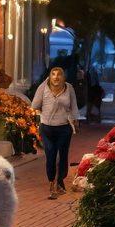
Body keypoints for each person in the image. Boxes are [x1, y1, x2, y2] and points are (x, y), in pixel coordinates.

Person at [31, 66, 79, 199]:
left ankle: (60, 180)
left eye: (59, 74)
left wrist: (75, 120)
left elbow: (74, 106)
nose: (56, 77)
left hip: (64, 128)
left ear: (63, 77)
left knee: (63, 155)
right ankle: (52, 181)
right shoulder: (43, 88)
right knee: (51, 155)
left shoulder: (69, 88)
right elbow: (34, 105)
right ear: (50, 76)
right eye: (53, 74)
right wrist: (43, 111)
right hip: (47, 128)